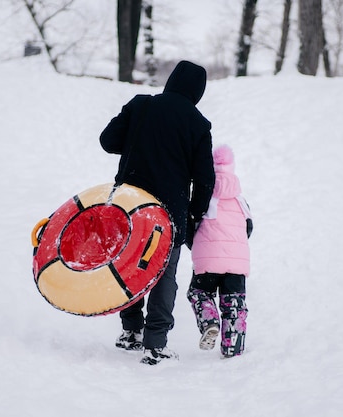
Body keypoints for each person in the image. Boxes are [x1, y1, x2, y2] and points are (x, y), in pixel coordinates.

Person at [99, 61, 215, 365]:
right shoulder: (198, 124)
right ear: (198, 92)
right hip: (170, 211)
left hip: (130, 205)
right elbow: (204, 179)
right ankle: (156, 343)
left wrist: (139, 140)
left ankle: (130, 332)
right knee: (165, 275)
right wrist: (194, 215)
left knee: (130, 265)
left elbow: (108, 141)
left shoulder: (140, 105)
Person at [187, 144, 252, 358]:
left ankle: (210, 321)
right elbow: (248, 228)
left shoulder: (204, 197)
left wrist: (195, 245)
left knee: (199, 293)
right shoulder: (240, 200)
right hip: (237, 263)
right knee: (234, 304)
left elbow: (190, 226)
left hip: (208, 261)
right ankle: (233, 348)